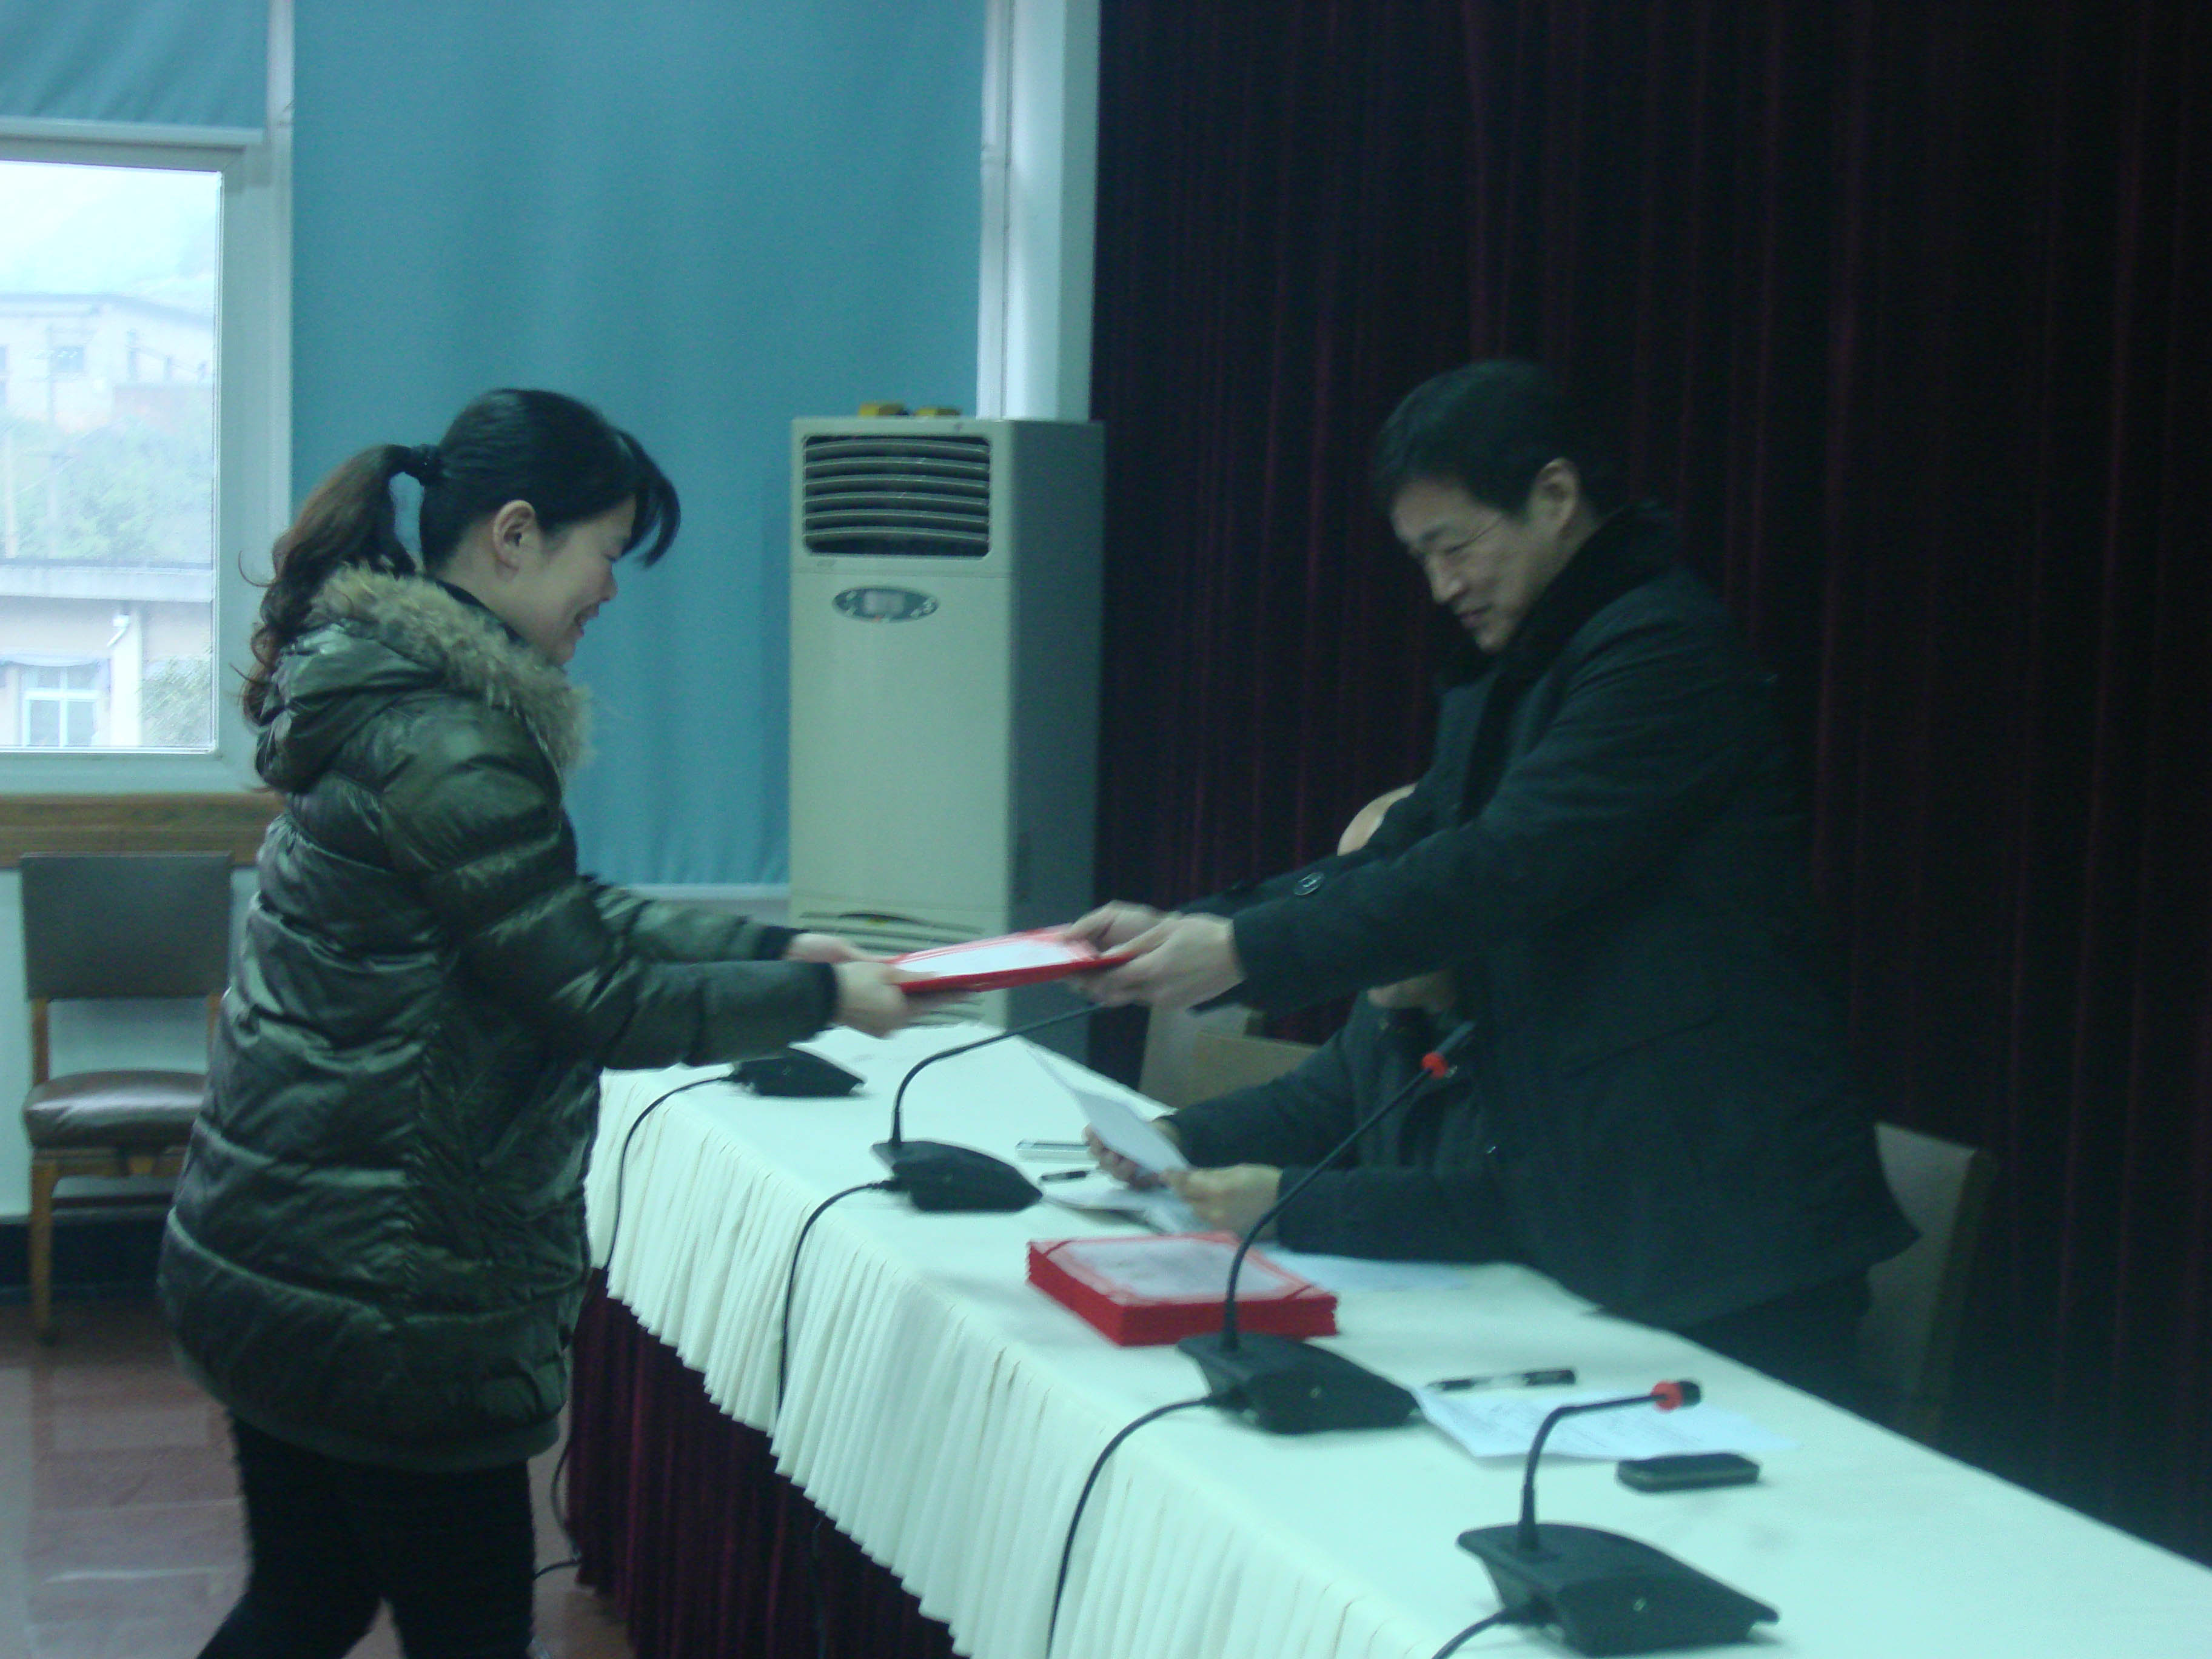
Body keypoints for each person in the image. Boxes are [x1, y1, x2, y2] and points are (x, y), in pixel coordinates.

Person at [159, 389, 928, 1658]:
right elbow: (589, 998)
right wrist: (820, 1001)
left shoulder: (382, 698)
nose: (610, 591)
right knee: (457, 1635)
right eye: (605, 553)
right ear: (515, 536)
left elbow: (549, 916)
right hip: (387, 1304)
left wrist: (768, 950)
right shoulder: (452, 741)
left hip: (278, 1258)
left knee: (305, 1601)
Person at [1070, 360, 1912, 1402]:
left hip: (1727, 1229)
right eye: (1421, 558)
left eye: (1454, 545)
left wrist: (1243, 953)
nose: (1442, 586)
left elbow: (1493, 871)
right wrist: (1191, 927)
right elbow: (1393, 857)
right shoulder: (1520, 673)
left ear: (1555, 497)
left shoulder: (1660, 651)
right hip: (1619, 1219)